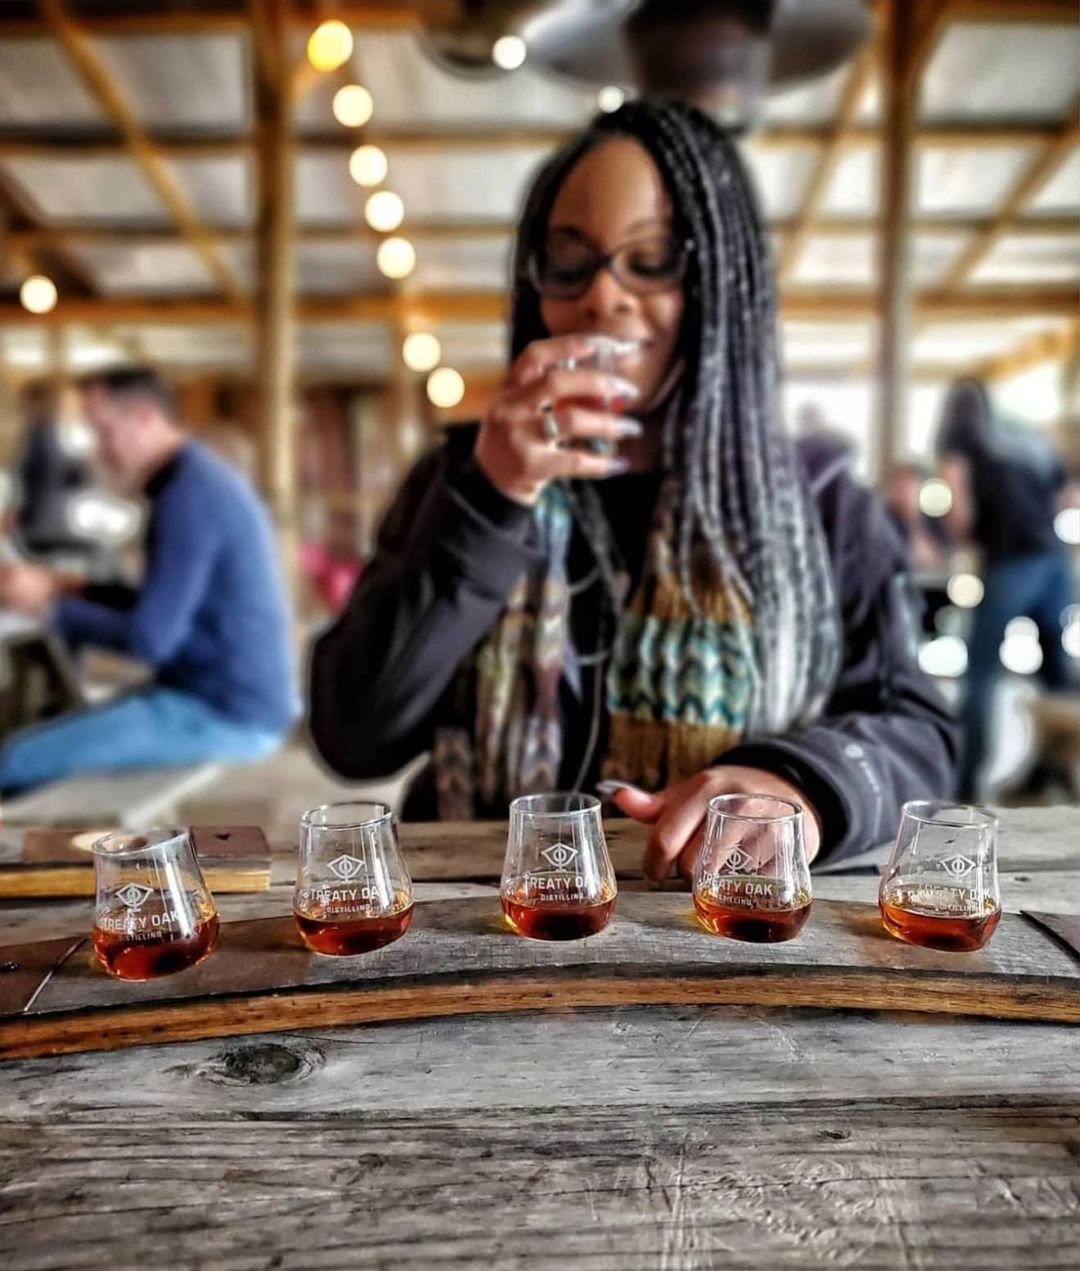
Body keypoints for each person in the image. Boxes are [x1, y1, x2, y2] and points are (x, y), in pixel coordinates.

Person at [310, 100, 958, 877]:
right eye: (570, 262)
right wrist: (490, 501)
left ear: (722, 281)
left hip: (716, 932)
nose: (604, 297)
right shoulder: (459, 478)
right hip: (490, 928)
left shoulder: (822, 507)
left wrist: (801, 783)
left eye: (651, 260)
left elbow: (920, 732)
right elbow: (354, 733)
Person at [0, 366, 297, 793]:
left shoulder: (188, 496)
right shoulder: (190, 479)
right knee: (59, 731)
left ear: (144, 416)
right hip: (223, 699)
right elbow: (157, 606)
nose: (100, 451)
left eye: (104, 432)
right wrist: (69, 588)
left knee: (17, 759)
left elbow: (151, 639)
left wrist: (49, 607)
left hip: (224, 712)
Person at [937, 378, 1077, 800]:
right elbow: (1068, 495)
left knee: (980, 672)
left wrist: (966, 542)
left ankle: (964, 786)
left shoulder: (961, 431)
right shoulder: (1023, 435)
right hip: (1053, 561)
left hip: (1010, 560)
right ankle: (1055, 774)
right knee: (1057, 675)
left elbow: (957, 505)